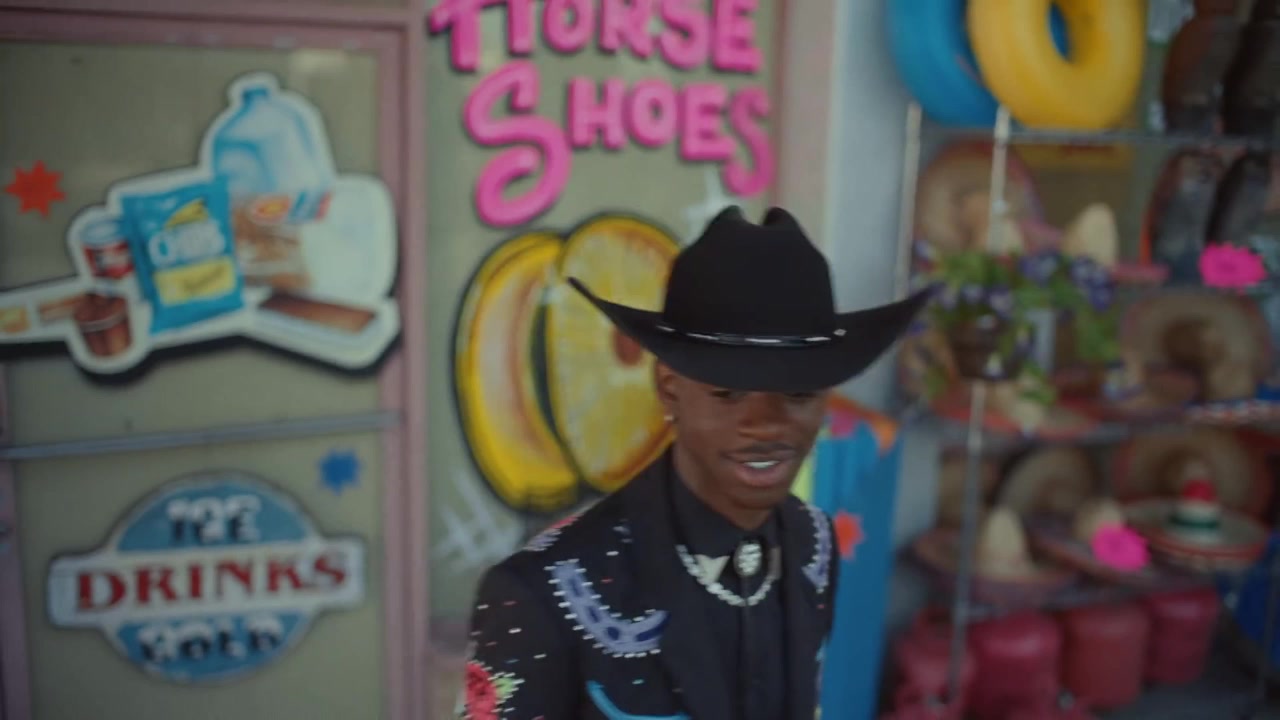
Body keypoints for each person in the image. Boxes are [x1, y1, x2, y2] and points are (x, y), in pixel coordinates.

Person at [458, 207, 929, 720]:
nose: (766, 425)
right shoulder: (543, 590)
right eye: (728, 393)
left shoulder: (812, 541)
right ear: (669, 389)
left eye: (799, 392)